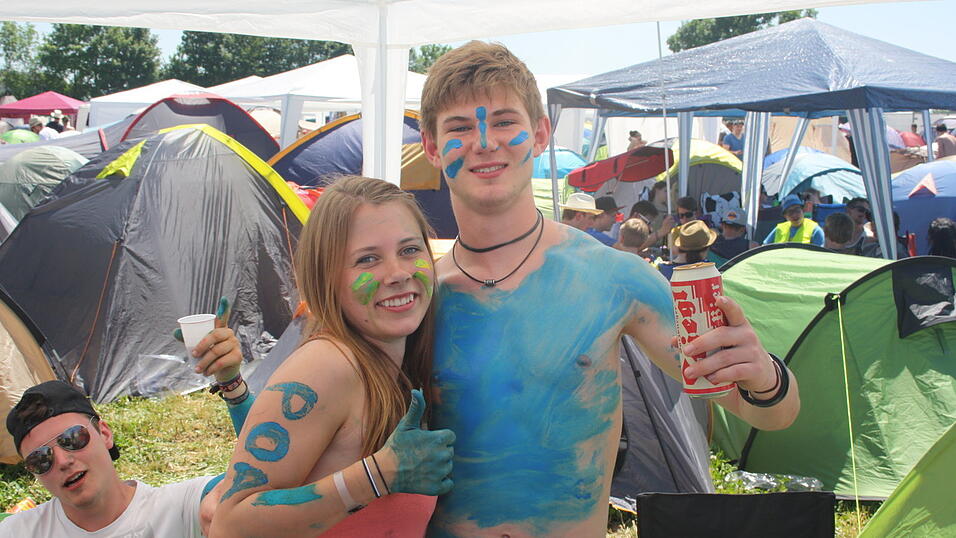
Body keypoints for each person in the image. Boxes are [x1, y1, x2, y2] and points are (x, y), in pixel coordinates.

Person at [420, 40, 800, 537]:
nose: (485, 142)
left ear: (539, 134)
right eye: (460, 127)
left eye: (505, 122)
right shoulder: (416, 297)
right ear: (431, 147)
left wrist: (763, 375)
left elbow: (774, 414)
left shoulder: (611, 277)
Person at [209, 176, 454, 537]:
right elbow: (229, 527)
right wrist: (378, 475)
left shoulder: (396, 362)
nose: (398, 274)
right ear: (328, 278)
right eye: (367, 259)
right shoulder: (330, 365)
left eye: (409, 250)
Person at [1, 302, 247, 537]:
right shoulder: (19, 531)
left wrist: (232, 384)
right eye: (41, 459)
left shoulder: (182, 509)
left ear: (105, 434)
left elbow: (267, 478)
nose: (63, 461)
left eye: (72, 438)